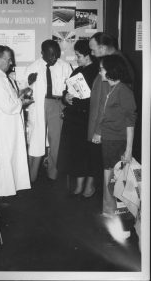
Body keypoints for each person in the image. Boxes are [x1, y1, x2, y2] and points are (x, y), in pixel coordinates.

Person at [0, 45, 32, 198]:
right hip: (2, 128)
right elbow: (9, 107)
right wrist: (22, 102)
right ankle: (1, 195)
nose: (11, 62)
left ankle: (4, 192)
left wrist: (20, 96)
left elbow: (9, 99)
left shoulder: (0, 77)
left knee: (6, 159)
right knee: (3, 160)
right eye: (9, 59)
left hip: (5, 127)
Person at [24, 39, 72, 183]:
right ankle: (31, 177)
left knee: (56, 141)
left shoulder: (65, 66)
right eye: (50, 55)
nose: (54, 58)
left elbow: (71, 87)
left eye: (56, 55)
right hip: (39, 105)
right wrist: (28, 82)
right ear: (42, 53)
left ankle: (53, 174)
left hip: (57, 104)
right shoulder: (33, 67)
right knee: (36, 140)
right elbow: (23, 90)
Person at [57, 39, 99, 197]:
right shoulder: (77, 71)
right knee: (76, 153)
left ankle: (89, 185)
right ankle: (80, 184)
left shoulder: (97, 71)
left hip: (86, 118)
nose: (76, 58)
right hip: (74, 119)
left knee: (88, 153)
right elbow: (66, 90)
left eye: (79, 55)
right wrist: (65, 97)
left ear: (88, 56)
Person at [98, 54, 137, 217]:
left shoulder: (123, 90)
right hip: (109, 140)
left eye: (102, 69)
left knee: (117, 179)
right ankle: (109, 209)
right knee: (109, 175)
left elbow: (130, 122)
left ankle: (119, 213)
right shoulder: (113, 88)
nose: (100, 72)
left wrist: (128, 150)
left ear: (110, 71)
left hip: (117, 141)